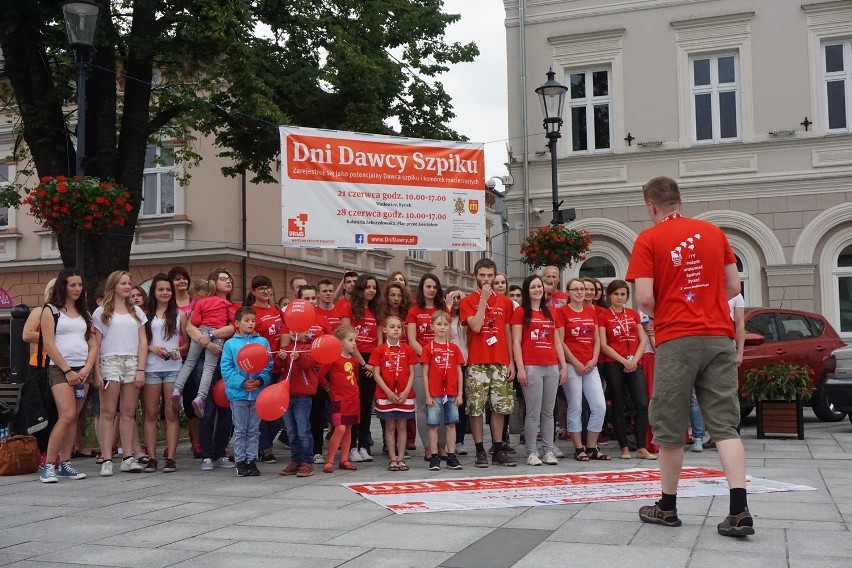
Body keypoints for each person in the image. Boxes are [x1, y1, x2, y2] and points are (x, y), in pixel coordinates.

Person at [626, 175, 752, 537]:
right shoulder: (714, 233)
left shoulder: (648, 239)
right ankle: (739, 509)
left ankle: (667, 507)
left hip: (677, 338)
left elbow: (645, 299)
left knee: (668, 426)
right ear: (680, 200)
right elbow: (732, 288)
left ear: (651, 206)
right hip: (718, 336)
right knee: (725, 425)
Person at [38, 269, 96, 483]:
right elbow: (50, 344)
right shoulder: (50, 310)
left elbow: (92, 344)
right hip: (61, 369)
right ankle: (48, 465)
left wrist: (86, 369)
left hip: (82, 370)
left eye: (80, 285)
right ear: (63, 286)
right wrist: (68, 370)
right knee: (67, 415)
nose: (77, 289)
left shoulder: (84, 312)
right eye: (73, 285)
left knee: (74, 419)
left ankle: (65, 463)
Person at [459, 258, 517, 468]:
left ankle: (498, 448)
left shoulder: (505, 302)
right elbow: (474, 326)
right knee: (475, 408)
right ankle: (479, 450)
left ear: (494, 276)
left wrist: (511, 361)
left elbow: (509, 332)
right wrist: (482, 300)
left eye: (489, 275)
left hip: (500, 361)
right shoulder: (467, 301)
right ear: (476, 276)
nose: (486, 279)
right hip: (477, 361)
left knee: (500, 408)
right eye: (482, 275)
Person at [92, 270, 148, 476]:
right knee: (107, 412)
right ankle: (107, 458)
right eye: (123, 283)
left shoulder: (136, 312)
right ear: (114, 285)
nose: (127, 286)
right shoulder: (101, 312)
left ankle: (128, 456)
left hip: (132, 361)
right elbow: (95, 345)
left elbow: (143, 341)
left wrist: (141, 368)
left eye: (129, 283)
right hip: (110, 361)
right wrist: (96, 372)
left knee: (128, 412)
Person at [511, 274, 567, 466]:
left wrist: (563, 366)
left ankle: (548, 450)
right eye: (533, 287)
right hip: (531, 366)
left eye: (539, 287)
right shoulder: (520, 312)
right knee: (533, 412)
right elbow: (516, 343)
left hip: (551, 366)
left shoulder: (551, 312)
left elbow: (557, 341)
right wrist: (520, 368)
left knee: (549, 412)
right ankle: (531, 451)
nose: (537, 290)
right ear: (527, 290)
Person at [597, 279, 656, 460]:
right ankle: (623, 446)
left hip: (634, 363)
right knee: (619, 404)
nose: (619, 297)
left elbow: (642, 339)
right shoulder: (603, 316)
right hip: (613, 363)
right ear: (609, 295)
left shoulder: (632, 314)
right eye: (616, 294)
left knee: (642, 403)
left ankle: (640, 447)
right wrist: (623, 360)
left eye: (623, 294)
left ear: (627, 296)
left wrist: (635, 360)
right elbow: (603, 344)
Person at [279, 284, 329, 477]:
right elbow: (279, 363)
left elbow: (310, 362)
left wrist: (299, 356)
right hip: (287, 391)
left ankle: (307, 461)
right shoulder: (289, 338)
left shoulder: (308, 345)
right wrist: (282, 356)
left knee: (303, 429)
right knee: (291, 430)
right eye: (306, 299)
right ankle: (295, 459)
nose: (310, 302)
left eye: (312, 298)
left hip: (303, 392)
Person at [171, 272, 236, 417]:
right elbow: (235, 322)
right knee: (209, 368)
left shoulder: (200, 303)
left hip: (200, 332)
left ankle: (176, 389)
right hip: (217, 334)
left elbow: (196, 320)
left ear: (200, 294)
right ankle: (200, 397)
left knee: (189, 363)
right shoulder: (226, 303)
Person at [142, 274, 187, 473]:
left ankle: (170, 457)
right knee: (150, 414)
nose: (165, 293)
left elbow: (187, 343)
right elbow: (140, 341)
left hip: (173, 368)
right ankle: (151, 457)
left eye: (168, 289)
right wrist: (151, 348)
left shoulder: (179, 314)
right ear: (154, 291)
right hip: (151, 368)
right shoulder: (144, 315)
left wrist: (178, 350)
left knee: (171, 413)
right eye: (161, 289)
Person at [560, 278, 609, 462]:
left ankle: (591, 447)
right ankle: (578, 448)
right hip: (573, 365)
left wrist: (594, 359)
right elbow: (561, 341)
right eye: (575, 289)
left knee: (599, 406)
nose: (580, 292)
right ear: (568, 292)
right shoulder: (563, 312)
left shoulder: (590, 311)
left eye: (582, 289)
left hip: (590, 365)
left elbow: (597, 340)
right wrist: (574, 361)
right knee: (576, 406)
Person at [221, 306, 272, 477]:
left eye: (253, 320)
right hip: (239, 395)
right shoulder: (230, 344)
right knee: (241, 429)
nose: (251, 324)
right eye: (246, 320)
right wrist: (242, 383)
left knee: (254, 429)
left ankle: (252, 460)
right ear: (237, 323)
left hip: (257, 393)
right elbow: (226, 368)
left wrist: (260, 380)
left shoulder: (262, 342)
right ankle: (240, 461)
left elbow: (267, 365)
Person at [338, 273, 383, 462]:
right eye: (368, 287)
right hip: (353, 359)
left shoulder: (376, 310)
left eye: (374, 287)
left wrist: (374, 363)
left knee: (366, 405)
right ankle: (350, 446)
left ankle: (364, 445)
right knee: (353, 404)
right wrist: (364, 363)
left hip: (371, 361)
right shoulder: (348, 307)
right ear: (361, 289)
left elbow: (379, 340)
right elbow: (347, 337)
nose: (371, 290)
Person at [245, 275, 286, 464]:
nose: (265, 291)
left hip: (281, 365)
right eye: (261, 288)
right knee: (262, 409)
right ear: (253, 291)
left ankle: (266, 443)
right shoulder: (251, 311)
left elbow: (287, 330)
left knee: (279, 410)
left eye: (268, 288)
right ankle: (264, 448)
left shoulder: (278, 310)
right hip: (261, 368)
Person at [406, 273, 447, 457]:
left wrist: (437, 356)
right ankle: (428, 448)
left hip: (442, 363)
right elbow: (412, 339)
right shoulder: (414, 311)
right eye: (428, 286)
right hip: (420, 362)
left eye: (434, 287)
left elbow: (446, 334)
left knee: (442, 405)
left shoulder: (443, 308)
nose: (431, 290)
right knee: (423, 405)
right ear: (422, 288)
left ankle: (441, 446)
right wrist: (428, 356)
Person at [369, 316, 417, 471]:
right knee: (390, 426)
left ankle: (401, 458)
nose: (396, 329)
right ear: (384, 330)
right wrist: (388, 392)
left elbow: (412, 373)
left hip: (404, 394)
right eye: (392, 327)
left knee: (402, 426)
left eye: (398, 327)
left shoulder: (408, 349)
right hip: (385, 395)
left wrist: (406, 391)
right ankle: (392, 458)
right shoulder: (379, 350)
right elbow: (376, 374)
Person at [421, 310, 465, 471]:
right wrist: (427, 394)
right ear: (432, 326)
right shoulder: (428, 348)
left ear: (449, 327)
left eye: (445, 324)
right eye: (438, 324)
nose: (442, 327)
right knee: (433, 425)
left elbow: (459, 372)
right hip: (434, 392)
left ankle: (451, 455)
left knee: (451, 424)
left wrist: (460, 393)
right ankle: (434, 456)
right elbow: (425, 373)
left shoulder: (454, 348)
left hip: (452, 392)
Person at [167, 266, 201, 458]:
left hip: (191, 356)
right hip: (169, 359)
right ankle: (168, 443)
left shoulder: (197, 304)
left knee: (191, 400)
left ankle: (196, 442)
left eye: (184, 279)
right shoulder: (167, 305)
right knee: (169, 402)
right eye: (177, 279)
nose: (181, 282)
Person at [318, 325, 361, 472]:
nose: (354, 343)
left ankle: (344, 459)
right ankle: (329, 460)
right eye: (350, 340)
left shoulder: (354, 361)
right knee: (340, 428)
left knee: (348, 428)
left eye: (355, 340)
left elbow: (355, 377)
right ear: (340, 342)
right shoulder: (333, 359)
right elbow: (321, 376)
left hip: (352, 399)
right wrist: (329, 389)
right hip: (338, 400)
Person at [445, 285, 469, 455]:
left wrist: (466, 304)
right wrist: (447, 308)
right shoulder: (444, 317)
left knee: (462, 402)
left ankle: (459, 440)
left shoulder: (465, 318)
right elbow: (442, 335)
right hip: (448, 363)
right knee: (447, 401)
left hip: (466, 362)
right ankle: (446, 440)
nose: (455, 302)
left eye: (458, 298)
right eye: (452, 297)